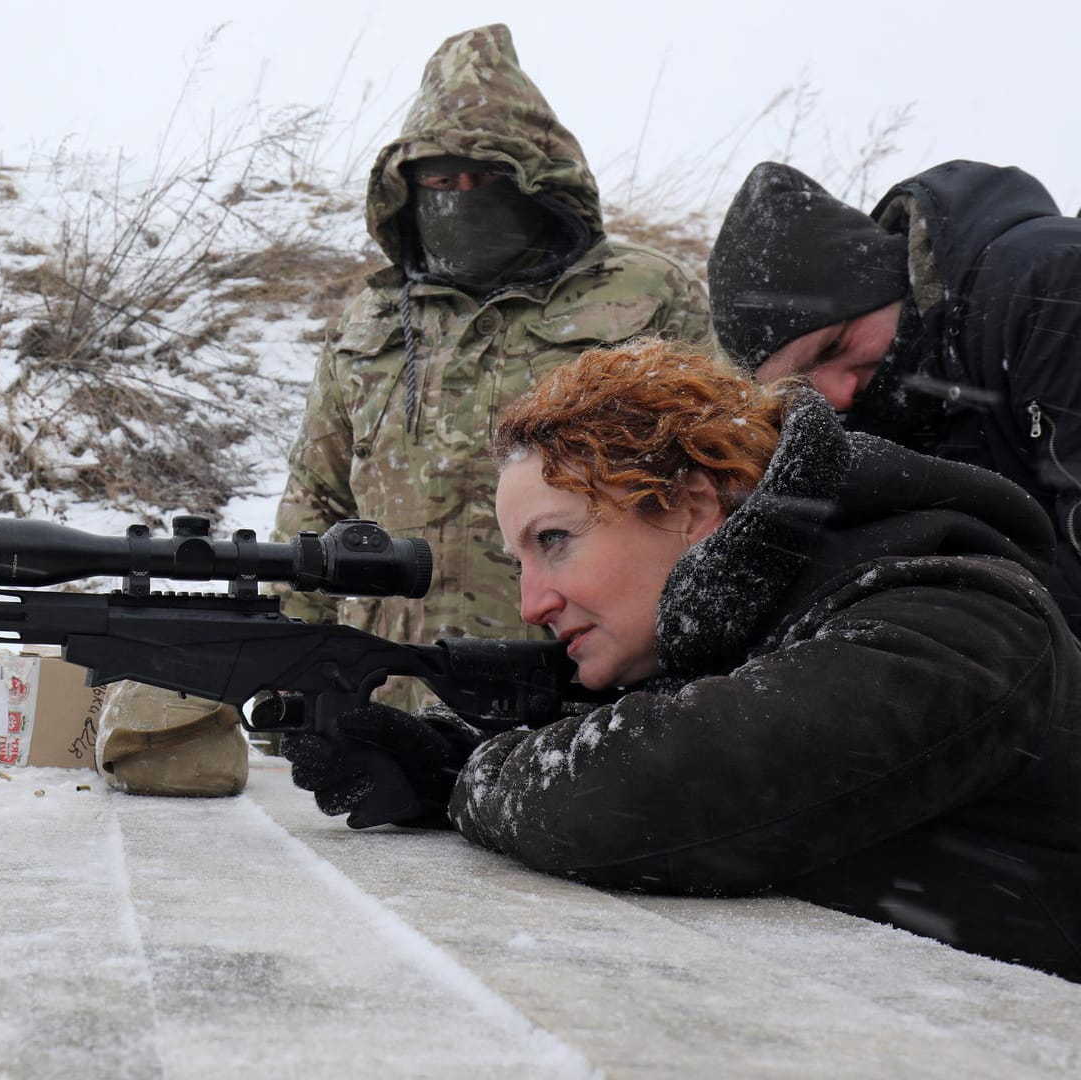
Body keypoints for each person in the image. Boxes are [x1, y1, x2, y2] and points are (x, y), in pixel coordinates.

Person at [281, 339, 1081, 980]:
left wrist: (473, 776)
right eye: (519, 561)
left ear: (695, 507)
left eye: (554, 541)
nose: (532, 603)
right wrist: (445, 761)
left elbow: (630, 795)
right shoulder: (753, 624)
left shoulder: (962, 615)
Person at [274, 22, 709, 713]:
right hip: (390, 697)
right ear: (408, 189)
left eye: (487, 177)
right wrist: (285, 673)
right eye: (441, 179)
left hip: (585, 700)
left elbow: (718, 491)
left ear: (537, 179)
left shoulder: (648, 294)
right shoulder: (370, 320)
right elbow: (316, 505)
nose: (462, 196)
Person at [708, 159, 1081, 634]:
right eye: (801, 384)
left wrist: (962, 659)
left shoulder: (1051, 283)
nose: (838, 395)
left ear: (885, 283)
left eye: (836, 346)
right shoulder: (897, 406)